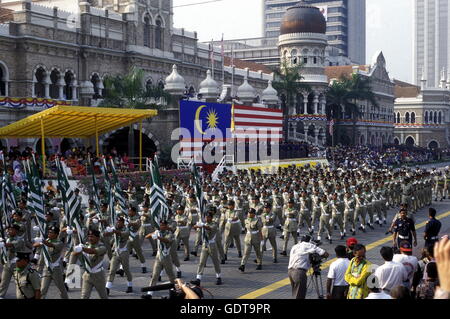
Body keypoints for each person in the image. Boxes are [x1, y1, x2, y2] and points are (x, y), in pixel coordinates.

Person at [142, 220, 176, 299]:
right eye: (160, 225)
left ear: (167, 226)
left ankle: (176, 291)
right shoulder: (158, 232)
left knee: (171, 276)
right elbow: (147, 236)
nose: (162, 227)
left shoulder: (170, 234)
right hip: (158, 257)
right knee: (154, 276)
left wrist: (158, 237)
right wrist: (153, 234)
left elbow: (167, 240)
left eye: (163, 225)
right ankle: (149, 294)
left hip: (166, 257)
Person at [287, 235, 328, 299]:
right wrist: (319, 257)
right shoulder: (309, 245)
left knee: (296, 292)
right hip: (299, 272)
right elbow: (325, 254)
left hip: (290, 272)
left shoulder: (295, 246)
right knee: (300, 295)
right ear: (310, 241)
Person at [33, 226, 68, 299]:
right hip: (47, 268)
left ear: (56, 234)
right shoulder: (47, 241)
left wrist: (43, 241)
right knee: (43, 289)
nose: (49, 234)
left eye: (51, 232)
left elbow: (51, 245)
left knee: (61, 289)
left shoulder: (59, 243)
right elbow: (36, 246)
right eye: (48, 232)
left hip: (56, 269)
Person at [73, 229, 108, 299]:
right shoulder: (86, 245)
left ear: (98, 238)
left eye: (92, 236)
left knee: (103, 296)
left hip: (98, 276)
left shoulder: (102, 247)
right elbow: (74, 254)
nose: (90, 238)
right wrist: (77, 249)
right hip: (87, 275)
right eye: (89, 236)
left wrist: (82, 249)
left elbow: (92, 251)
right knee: (84, 296)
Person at [191, 211, 222, 286]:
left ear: (211, 218)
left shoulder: (214, 224)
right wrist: (197, 225)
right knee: (201, 262)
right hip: (205, 245)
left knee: (215, 262)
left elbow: (210, 229)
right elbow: (194, 227)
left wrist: (202, 226)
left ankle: (218, 277)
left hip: (212, 245)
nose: (207, 218)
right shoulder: (204, 224)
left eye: (208, 217)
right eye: (206, 217)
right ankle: (198, 279)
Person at [105, 217, 133, 295]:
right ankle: (107, 288)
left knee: (126, 270)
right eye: (117, 222)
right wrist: (108, 230)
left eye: (119, 222)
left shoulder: (126, 229)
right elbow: (106, 234)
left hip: (124, 252)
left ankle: (130, 285)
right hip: (116, 252)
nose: (118, 223)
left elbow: (121, 234)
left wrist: (114, 230)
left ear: (123, 223)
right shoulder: (115, 227)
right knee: (112, 270)